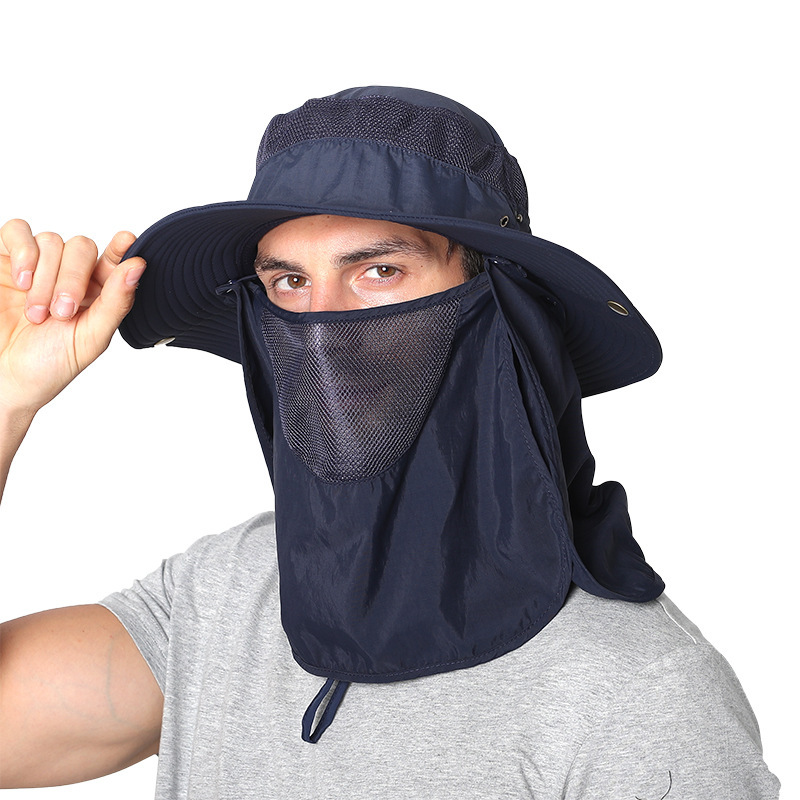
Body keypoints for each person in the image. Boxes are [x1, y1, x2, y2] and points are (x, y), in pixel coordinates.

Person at [0, 87, 780, 797]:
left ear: (496, 308)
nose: (323, 329)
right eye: (290, 282)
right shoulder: (227, 593)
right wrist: (6, 401)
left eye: (379, 271)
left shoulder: (637, 695)